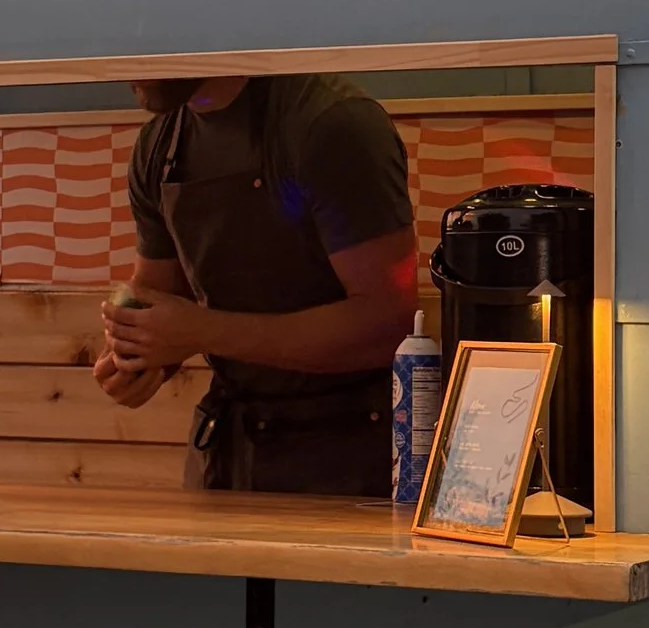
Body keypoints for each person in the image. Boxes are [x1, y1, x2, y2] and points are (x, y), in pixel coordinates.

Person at [93, 74, 419, 495]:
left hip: (347, 459)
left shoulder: (331, 125)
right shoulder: (159, 145)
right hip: (226, 451)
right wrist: (136, 354)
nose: (129, 66)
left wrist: (199, 330)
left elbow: (388, 325)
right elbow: (156, 296)